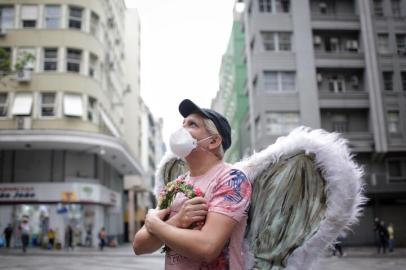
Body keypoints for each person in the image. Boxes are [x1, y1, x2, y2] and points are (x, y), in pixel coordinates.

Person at [133, 99, 252, 269]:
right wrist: (178, 221)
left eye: (192, 124)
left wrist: (155, 224)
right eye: (183, 124)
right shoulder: (175, 185)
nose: (182, 129)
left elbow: (207, 247)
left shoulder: (232, 179)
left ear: (213, 141)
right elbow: (139, 246)